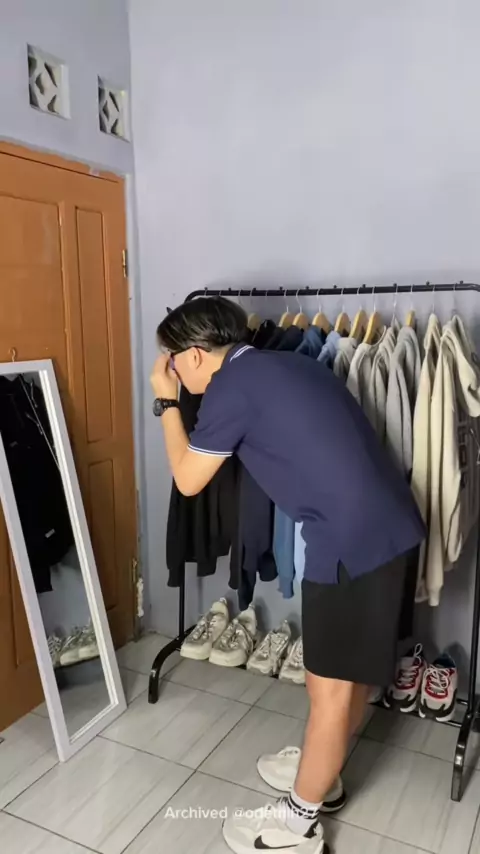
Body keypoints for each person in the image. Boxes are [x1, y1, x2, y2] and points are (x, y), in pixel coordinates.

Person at [151, 296, 425, 854]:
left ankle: (299, 822)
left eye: (171, 361)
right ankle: (325, 771)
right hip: (382, 525)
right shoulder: (280, 364)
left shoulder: (230, 389)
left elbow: (187, 479)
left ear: (195, 355)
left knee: (331, 687)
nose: (170, 370)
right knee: (342, 676)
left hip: (350, 539)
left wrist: (166, 403)